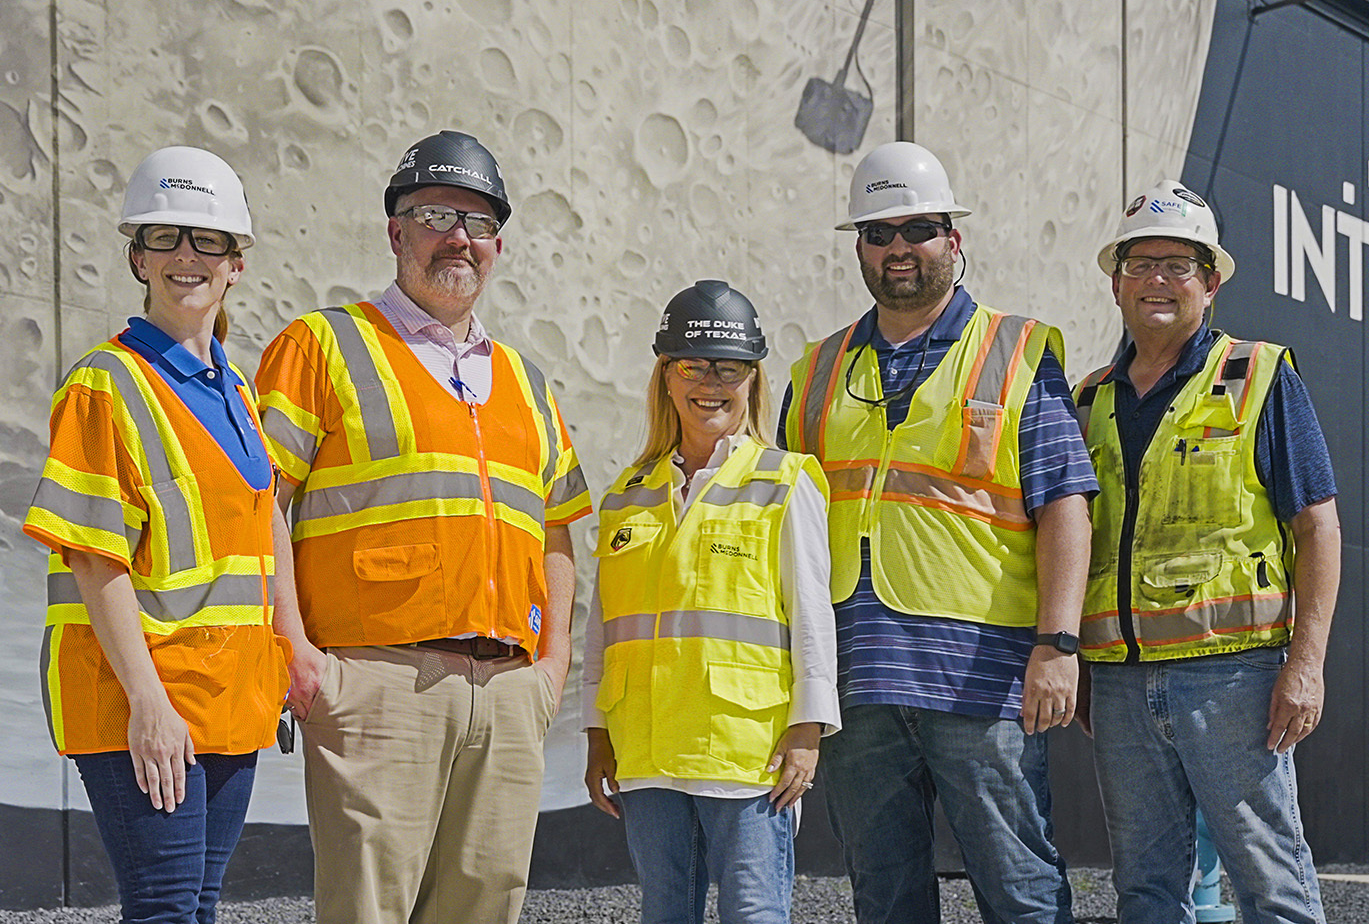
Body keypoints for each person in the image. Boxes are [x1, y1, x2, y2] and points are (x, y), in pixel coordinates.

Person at [254, 130, 591, 924]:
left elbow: (558, 528)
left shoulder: (523, 380)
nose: (457, 237)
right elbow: (257, 501)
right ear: (395, 231)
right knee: (367, 910)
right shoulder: (324, 345)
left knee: (485, 908)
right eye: (436, 213)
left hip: (509, 692)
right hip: (377, 684)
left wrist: (553, 668)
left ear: (498, 246)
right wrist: (297, 652)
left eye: (476, 223)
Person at [781, 142, 1097, 924]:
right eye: (878, 232)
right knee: (885, 897)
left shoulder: (1015, 351)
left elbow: (1066, 503)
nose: (898, 249)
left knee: (1020, 889)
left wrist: (1057, 644)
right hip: (858, 682)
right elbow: (784, 531)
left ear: (953, 240)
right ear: (858, 246)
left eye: (917, 229)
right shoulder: (815, 370)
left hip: (983, 678)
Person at [22, 146, 291, 923]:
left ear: (235, 264)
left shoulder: (237, 390)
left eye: (208, 240)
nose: (186, 256)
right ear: (137, 255)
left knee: (197, 904)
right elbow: (91, 554)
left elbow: (258, 540)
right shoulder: (103, 384)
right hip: (143, 702)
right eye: (166, 237)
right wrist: (148, 701)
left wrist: (281, 664)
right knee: (166, 905)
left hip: (229, 700)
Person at [1074, 180, 1341, 924]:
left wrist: (1306, 664)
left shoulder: (1258, 377)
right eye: (1140, 263)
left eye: (1178, 264)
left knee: (1271, 885)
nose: (1157, 279)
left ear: (1211, 281)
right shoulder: (1089, 399)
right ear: (1116, 281)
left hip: (1235, 678)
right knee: (1146, 892)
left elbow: (1318, 526)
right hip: (1122, 685)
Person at [582, 279, 839, 924]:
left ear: (753, 378)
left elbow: (813, 613)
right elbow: (603, 630)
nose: (711, 382)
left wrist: (807, 732)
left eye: (730, 367)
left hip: (745, 749)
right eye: (693, 365)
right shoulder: (628, 494)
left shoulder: (784, 480)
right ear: (666, 377)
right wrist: (595, 733)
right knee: (665, 914)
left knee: (755, 913)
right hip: (646, 748)